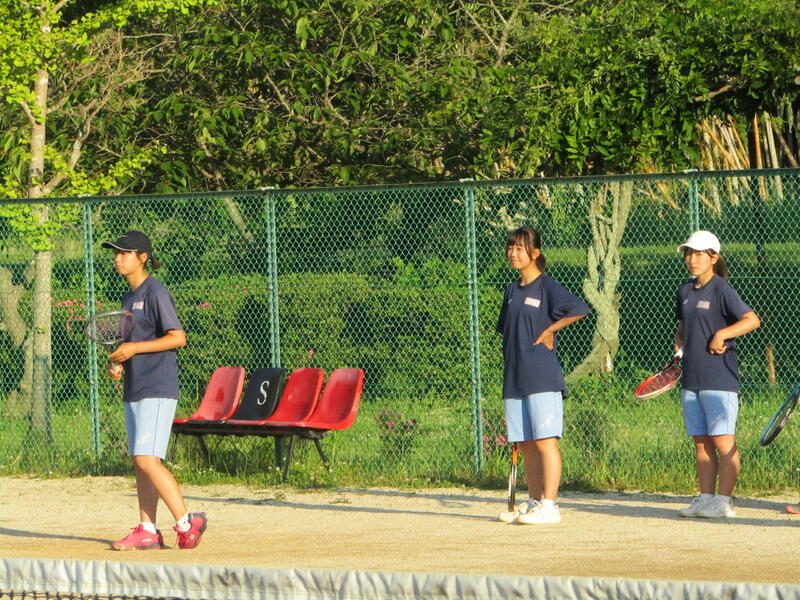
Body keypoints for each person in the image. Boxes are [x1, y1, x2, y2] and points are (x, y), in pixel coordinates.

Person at [102, 230, 208, 550]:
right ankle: (147, 530)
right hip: (135, 386)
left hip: (158, 387)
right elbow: (130, 343)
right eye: (115, 253)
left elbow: (177, 337)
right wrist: (119, 363)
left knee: (148, 459)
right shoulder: (127, 298)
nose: (118, 258)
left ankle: (187, 523)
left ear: (143, 258)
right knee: (140, 461)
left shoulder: (156, 291)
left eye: (124, 253)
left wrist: (133, 350)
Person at [496, 226, 589, 525]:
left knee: (545, 441)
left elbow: (579, 308)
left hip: (542, 376)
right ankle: (534, 501)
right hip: (515, 378)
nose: (513, 253)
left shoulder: (547, 286)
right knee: (526, 445)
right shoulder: (511, 290)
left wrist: (550, 329)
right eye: (510, 247)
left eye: (520, 248)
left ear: (535, 253)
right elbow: (507, 331)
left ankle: (550, 505)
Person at [673, 230, 760, 519]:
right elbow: (683, 327)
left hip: (719, 379)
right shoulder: (684, 291)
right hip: (691, 379)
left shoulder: (722, 289)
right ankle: (706, 498)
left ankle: (724, 502)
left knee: (723, 442)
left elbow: (751, 320)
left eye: (699, 254)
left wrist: (722, 334)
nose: (692, 260)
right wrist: (679, 344)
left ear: (714, 258)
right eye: (689, 254)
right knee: (701, 442)